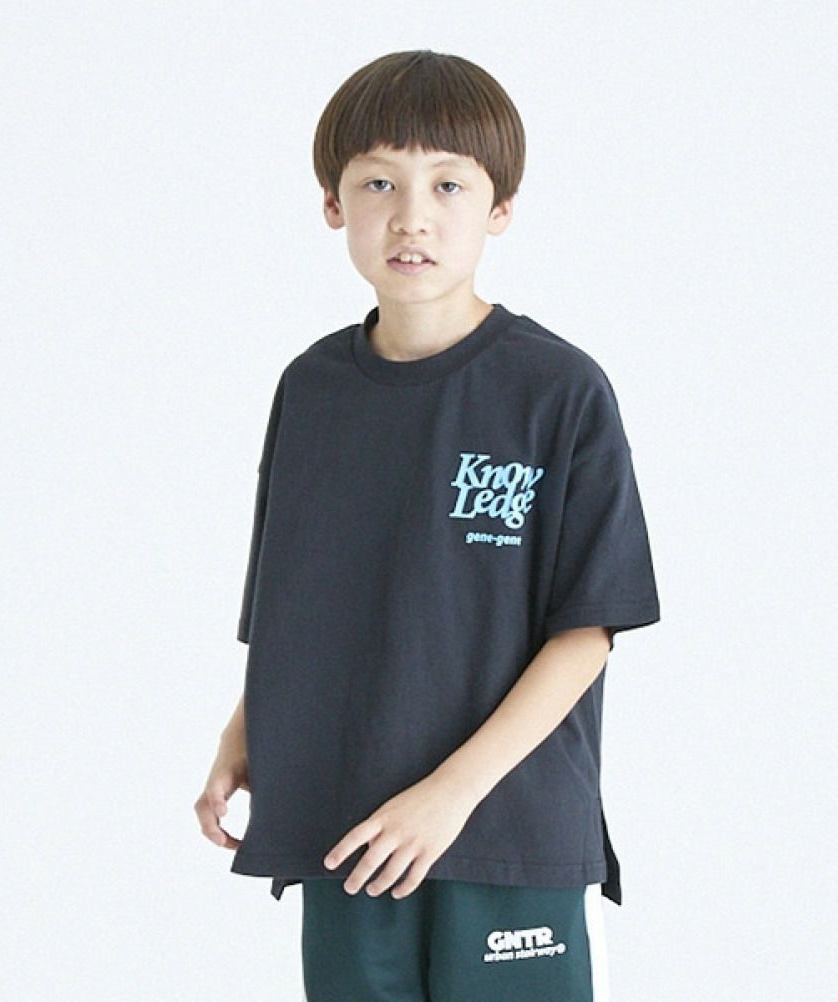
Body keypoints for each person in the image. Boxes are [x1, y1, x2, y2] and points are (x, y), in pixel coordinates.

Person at [195, 48, 661, 1002]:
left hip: (505, 831)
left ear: (499, 210)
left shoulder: (558, 390)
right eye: (380, 183)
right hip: (349, 829)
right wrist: (242, 734)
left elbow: (588, 631)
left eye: (448, 184)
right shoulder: (312, 390)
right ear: (334, 204)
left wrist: (448, 798)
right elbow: (293, 603)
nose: (412, 216)